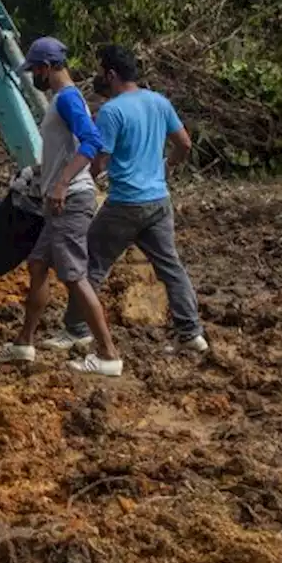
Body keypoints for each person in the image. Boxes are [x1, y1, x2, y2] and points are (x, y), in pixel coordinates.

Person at [60, 44, 209, 354]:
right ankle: (191, 333)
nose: (99, 77)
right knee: (171, 268)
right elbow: (184, 143)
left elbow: (99, 161)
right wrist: (166, 167)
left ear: (111, 75)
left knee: (91, 263)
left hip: (125, 204)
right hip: (158, 202)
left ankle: (76, 328)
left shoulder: (112, 112)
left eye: (101, 72)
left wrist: (71, 175)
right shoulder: (159, 102)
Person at [0, 36, 123, 375]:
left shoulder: (67, 99)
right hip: (59, 201)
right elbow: (68, 147)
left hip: (72, 200)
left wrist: (62, 182)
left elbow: (92, 142)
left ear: (48, 68)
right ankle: (24, 343)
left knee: (74, 275)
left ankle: (108, 355)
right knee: (37, 265)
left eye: (35, 69)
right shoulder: (62, 100)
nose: (32, 74)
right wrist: (43, 173)